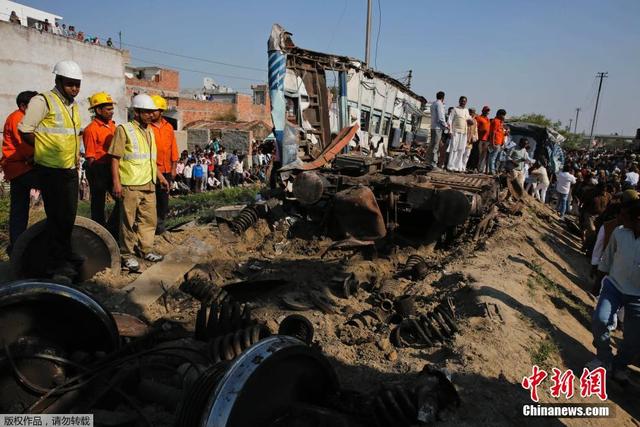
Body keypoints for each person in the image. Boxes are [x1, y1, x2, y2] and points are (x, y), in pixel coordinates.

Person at [18, 60, 83, 281]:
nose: (74, 88)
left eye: (77, 84)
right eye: (70, 84)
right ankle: (56, 264)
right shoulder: (43, 101)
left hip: (68, 168)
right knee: (56, 216)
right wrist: (42, 150)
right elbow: (25, 130)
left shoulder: (72, 105)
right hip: (50, 169)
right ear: (58, 80)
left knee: (68, 216)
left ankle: (65, 254)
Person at [109, 94, 167, 272]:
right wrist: (116, 183)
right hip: (131, 184)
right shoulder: (124, 130)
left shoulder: (149, 131)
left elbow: (150, 159)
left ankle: (146, 249)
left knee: (149, 220)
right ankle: (127, 254)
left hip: (149, 183)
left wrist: (160, 178)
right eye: (147, 112)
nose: (151, 115)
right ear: (137, 112)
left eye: (152, 112)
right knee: (127, 222)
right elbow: (115, 158)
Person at [589, 199, 640, 385]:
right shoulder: (619, 233)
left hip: (637, 296)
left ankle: (619, 366)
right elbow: (608, 257)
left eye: (624, 216)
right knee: (600, 319)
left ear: (637, 219)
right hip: (614, 286)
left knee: (634, 338)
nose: (620, 218)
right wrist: (598, 282)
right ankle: (603, 358)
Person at [2, 91, 38, 253]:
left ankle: (17, 247)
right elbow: (25, 145)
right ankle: (19, 247)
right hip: (20, 167)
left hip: (18, 168)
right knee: (55, 188)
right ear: (23, 106)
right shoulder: (18, 119)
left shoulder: (19, 117)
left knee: (19, 210)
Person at [83, 92, 120, 235]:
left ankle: (110, 229)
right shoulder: (91, 130)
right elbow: (90, 157)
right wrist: (97, 176)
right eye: (108, 109)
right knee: (98, 204)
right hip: (98, 168)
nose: (112, 112)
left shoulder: (113, 126)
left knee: (122, 200)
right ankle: (99, 234)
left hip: (112, 167)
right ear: (98, 110)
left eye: (112, 109)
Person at [150, 95, 178, 235]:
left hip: (166, 170)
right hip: (152, 171)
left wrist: (173, 168)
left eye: (154, 110)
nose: (151, 113)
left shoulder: (168, 127)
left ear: (161, 111)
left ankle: (160, 227)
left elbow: (173, 148)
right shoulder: (147, 127)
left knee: (163, 201)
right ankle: (150, 229)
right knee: (150, 202)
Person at [428, 91, 448, 169]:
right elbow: (441, 117)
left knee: (432, 145)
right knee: (435, 146)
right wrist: (446, 125)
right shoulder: (439, 104)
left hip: (433, 126)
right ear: (443, 97)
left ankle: (428, 161)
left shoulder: (433, 104)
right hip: (437, 128)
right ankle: (433, 163)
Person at [488, 109, 507, 174]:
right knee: (492, 157)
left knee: (496, 158)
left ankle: (494, 170)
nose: (504, 117)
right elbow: (492, 132)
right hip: (495, 142)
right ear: (499, 115)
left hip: (499, 143)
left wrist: (503, 143)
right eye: (503, 115)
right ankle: (491, 171)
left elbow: (501, 133)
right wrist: (492, 143)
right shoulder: (495, 121)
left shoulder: (500, 122)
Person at [475, 106, 491, 173]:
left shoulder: (488, 119)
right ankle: (475, 167)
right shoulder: (478, 118)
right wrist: (481, 130)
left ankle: (480, 169)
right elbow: (475, 128)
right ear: (482, 110)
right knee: (478, 154)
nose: (487, 112)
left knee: (483, 155)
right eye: (486, 110)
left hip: (486, 140)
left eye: (488, 111)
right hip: (480, 139)